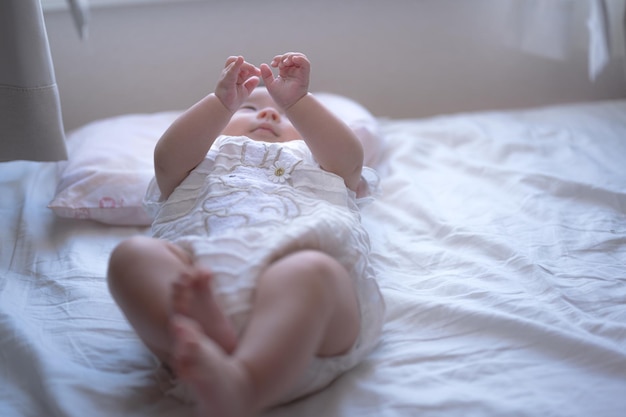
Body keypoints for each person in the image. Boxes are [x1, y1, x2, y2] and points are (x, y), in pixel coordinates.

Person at [107, 52, 385, 417]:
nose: (269, 114)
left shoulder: (320, 162)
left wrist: (300, 102)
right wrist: (220, 103)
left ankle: (246, 384)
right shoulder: (199, 159)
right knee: (131, 256)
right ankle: (211, 345)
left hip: (307, 323)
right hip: (196, 285)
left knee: (313, 271)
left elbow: (348, 157)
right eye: (249, 107)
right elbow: (166, 158)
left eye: (285, 115)